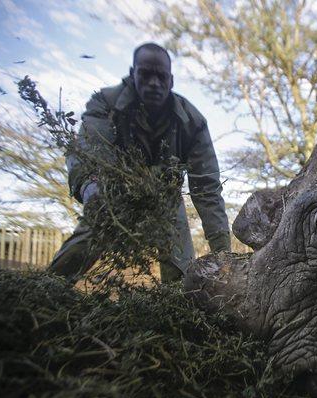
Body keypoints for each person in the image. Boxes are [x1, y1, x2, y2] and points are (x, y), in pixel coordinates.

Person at [49, 42, 231, 283]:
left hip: (165, 198)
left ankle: (177, 309)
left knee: (182, 275)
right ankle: (48, 290)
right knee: (87, 238)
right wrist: (94, 191)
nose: (154, 83)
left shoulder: (192, 122)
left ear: (171, 81)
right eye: (146, 74)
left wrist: (223, 253)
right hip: (113, 193)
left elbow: (206, 188)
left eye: (161, 76)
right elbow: (89, 153)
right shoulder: (105, 104)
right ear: (133, 73)